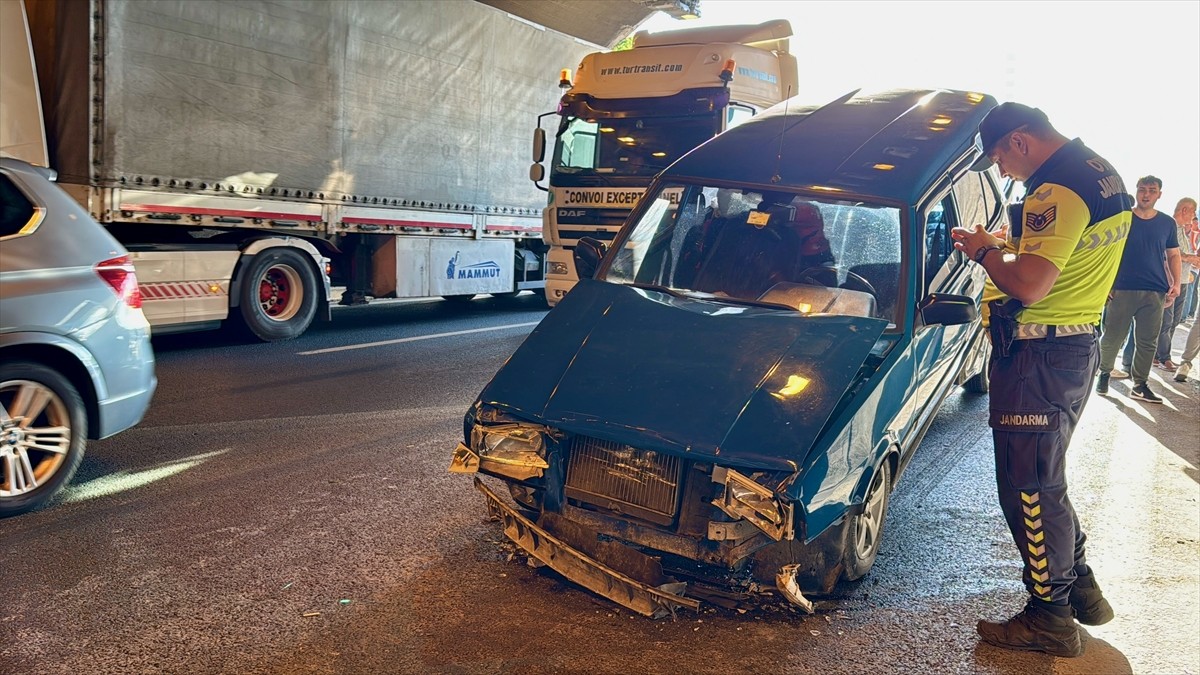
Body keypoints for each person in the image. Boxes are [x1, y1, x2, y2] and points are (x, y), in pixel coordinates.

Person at [951, 102, 1130, 658]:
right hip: (1071, 348)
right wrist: (1011, 246)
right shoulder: (1100, 170)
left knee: (1027, 486)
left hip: (1039, 356)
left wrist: (985, 252)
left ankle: (1049, 616)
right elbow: (1065, 261)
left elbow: (1029, 285)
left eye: (1001, 158)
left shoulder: (1057, 190)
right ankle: (1081, 588)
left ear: (1021, 140)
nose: (1004, 171)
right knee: (1045, 478)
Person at [1095, 176, 1182, 402]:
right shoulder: (1123, 219)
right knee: (1113, 335)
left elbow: (1173, 254)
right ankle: (1103, 374)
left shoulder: (1167, 223)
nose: (1146, 194)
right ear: (1136, 191)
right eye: (1142, 189)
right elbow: (1106, 251)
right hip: (1122, 287)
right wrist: (1105, 283)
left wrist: (1175, 283)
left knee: (1147, 341)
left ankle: (1140, 384)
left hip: (1155, 289)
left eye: (1152, 190)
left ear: (1159, 194)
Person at [1155, 198, 1198, 368]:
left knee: (1174, 320)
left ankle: (1163, 354)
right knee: (1166, 321)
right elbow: (1171, 253)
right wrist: (1190, 258)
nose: (1194, 216)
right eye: (1193, 212)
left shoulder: (1182, 230)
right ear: (1185, 210)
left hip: (1183, 280)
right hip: (1171, 280)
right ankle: (1162, 357)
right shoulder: (1170, 226)